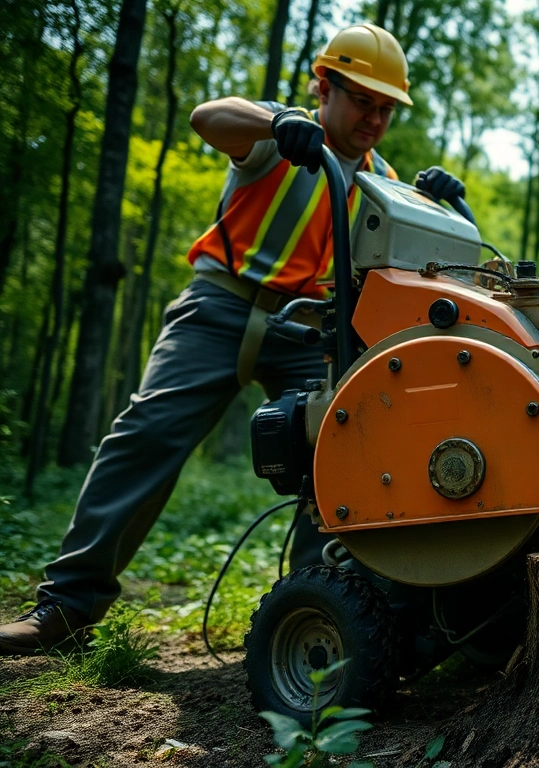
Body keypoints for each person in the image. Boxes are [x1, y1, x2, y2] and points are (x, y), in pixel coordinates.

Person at [0, 23, 467, 655]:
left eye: (386, 108)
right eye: (363, 101)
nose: (374, 119)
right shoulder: (277, 134)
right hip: (220, 305)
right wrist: (276, 123)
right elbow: (207, 117)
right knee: (147, 432)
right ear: (323, 88)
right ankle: (66, 606)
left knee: (337, 447)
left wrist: (437, 204)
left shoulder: (382, 181)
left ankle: (322, 615)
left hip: (308, 329)